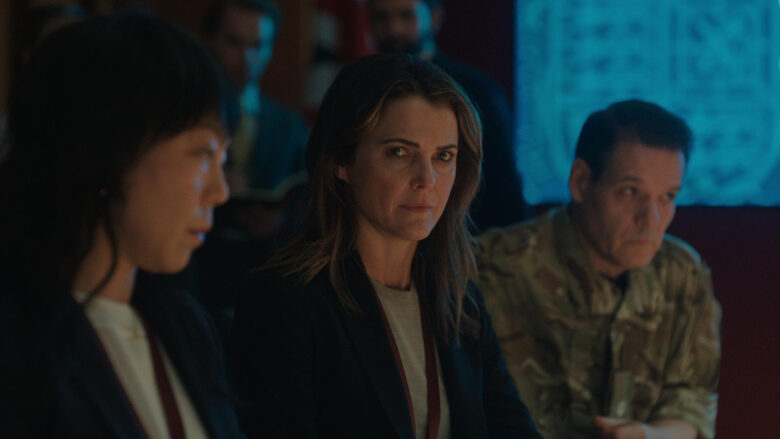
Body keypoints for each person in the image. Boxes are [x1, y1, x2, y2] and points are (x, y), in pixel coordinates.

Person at [232, 53, 541, 438]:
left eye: (443, 156)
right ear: (342, 160)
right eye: (399, 152)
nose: (427, 179)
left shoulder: (461, 301)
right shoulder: (285, 302)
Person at [0, 14, 245, 438]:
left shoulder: (188, 328)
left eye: (223, 160)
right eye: (203, 153)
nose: (220, 192)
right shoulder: (19, 342)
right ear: (109, 151)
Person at [476, 100, 721, 439]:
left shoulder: (682, 273)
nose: (651, 219)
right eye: (630, 192)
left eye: (667, 196)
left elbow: (690, 402)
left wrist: (650, 436)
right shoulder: (492, 270)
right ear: (581, 182)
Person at [366, 0, 530, 231]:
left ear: (434, 18)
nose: (394, 29)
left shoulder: (477, 93)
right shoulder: (359, 94)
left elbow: (504, 191)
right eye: (382, 18)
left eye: (406, 16)